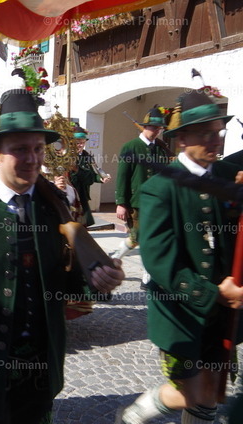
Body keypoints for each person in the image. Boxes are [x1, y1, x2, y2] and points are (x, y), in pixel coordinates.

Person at [0, 89, 124, 424]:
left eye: (38, 148)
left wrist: (100, 281)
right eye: (20, 149)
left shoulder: (55, 207)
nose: (32, 159)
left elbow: (66, 282)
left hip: (41, 377)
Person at [116, 90, 243, 424]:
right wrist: (215, 294)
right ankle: (134, 414)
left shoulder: (226, 174)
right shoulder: (159, 188)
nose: (215, 139)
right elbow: (160, 262)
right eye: (205, 133)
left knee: (212, 393)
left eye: (217, 131)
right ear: (182, 139)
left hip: (221, 313)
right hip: (180, 311)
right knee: (192, 391)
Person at [112, 106, 170, 286]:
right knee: (138, 236)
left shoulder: (161, 149)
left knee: (149, 238)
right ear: (144, 127)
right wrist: (121, 202)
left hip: (157, 203)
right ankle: (117, 260)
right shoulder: (131, 147)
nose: (157, 131)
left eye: (159, 128)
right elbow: (123, 177)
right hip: (137, 202)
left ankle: (143, 272)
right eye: (153, 127)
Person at [69, 126, 111, 227]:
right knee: (71, 223)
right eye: (77, 143)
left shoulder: (87, 156)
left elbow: (92, 174)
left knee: (83, 224)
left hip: (83, 194)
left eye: (83, 142)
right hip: (70, 194)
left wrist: (101, 178)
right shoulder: (66, 156)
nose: (80, 145)